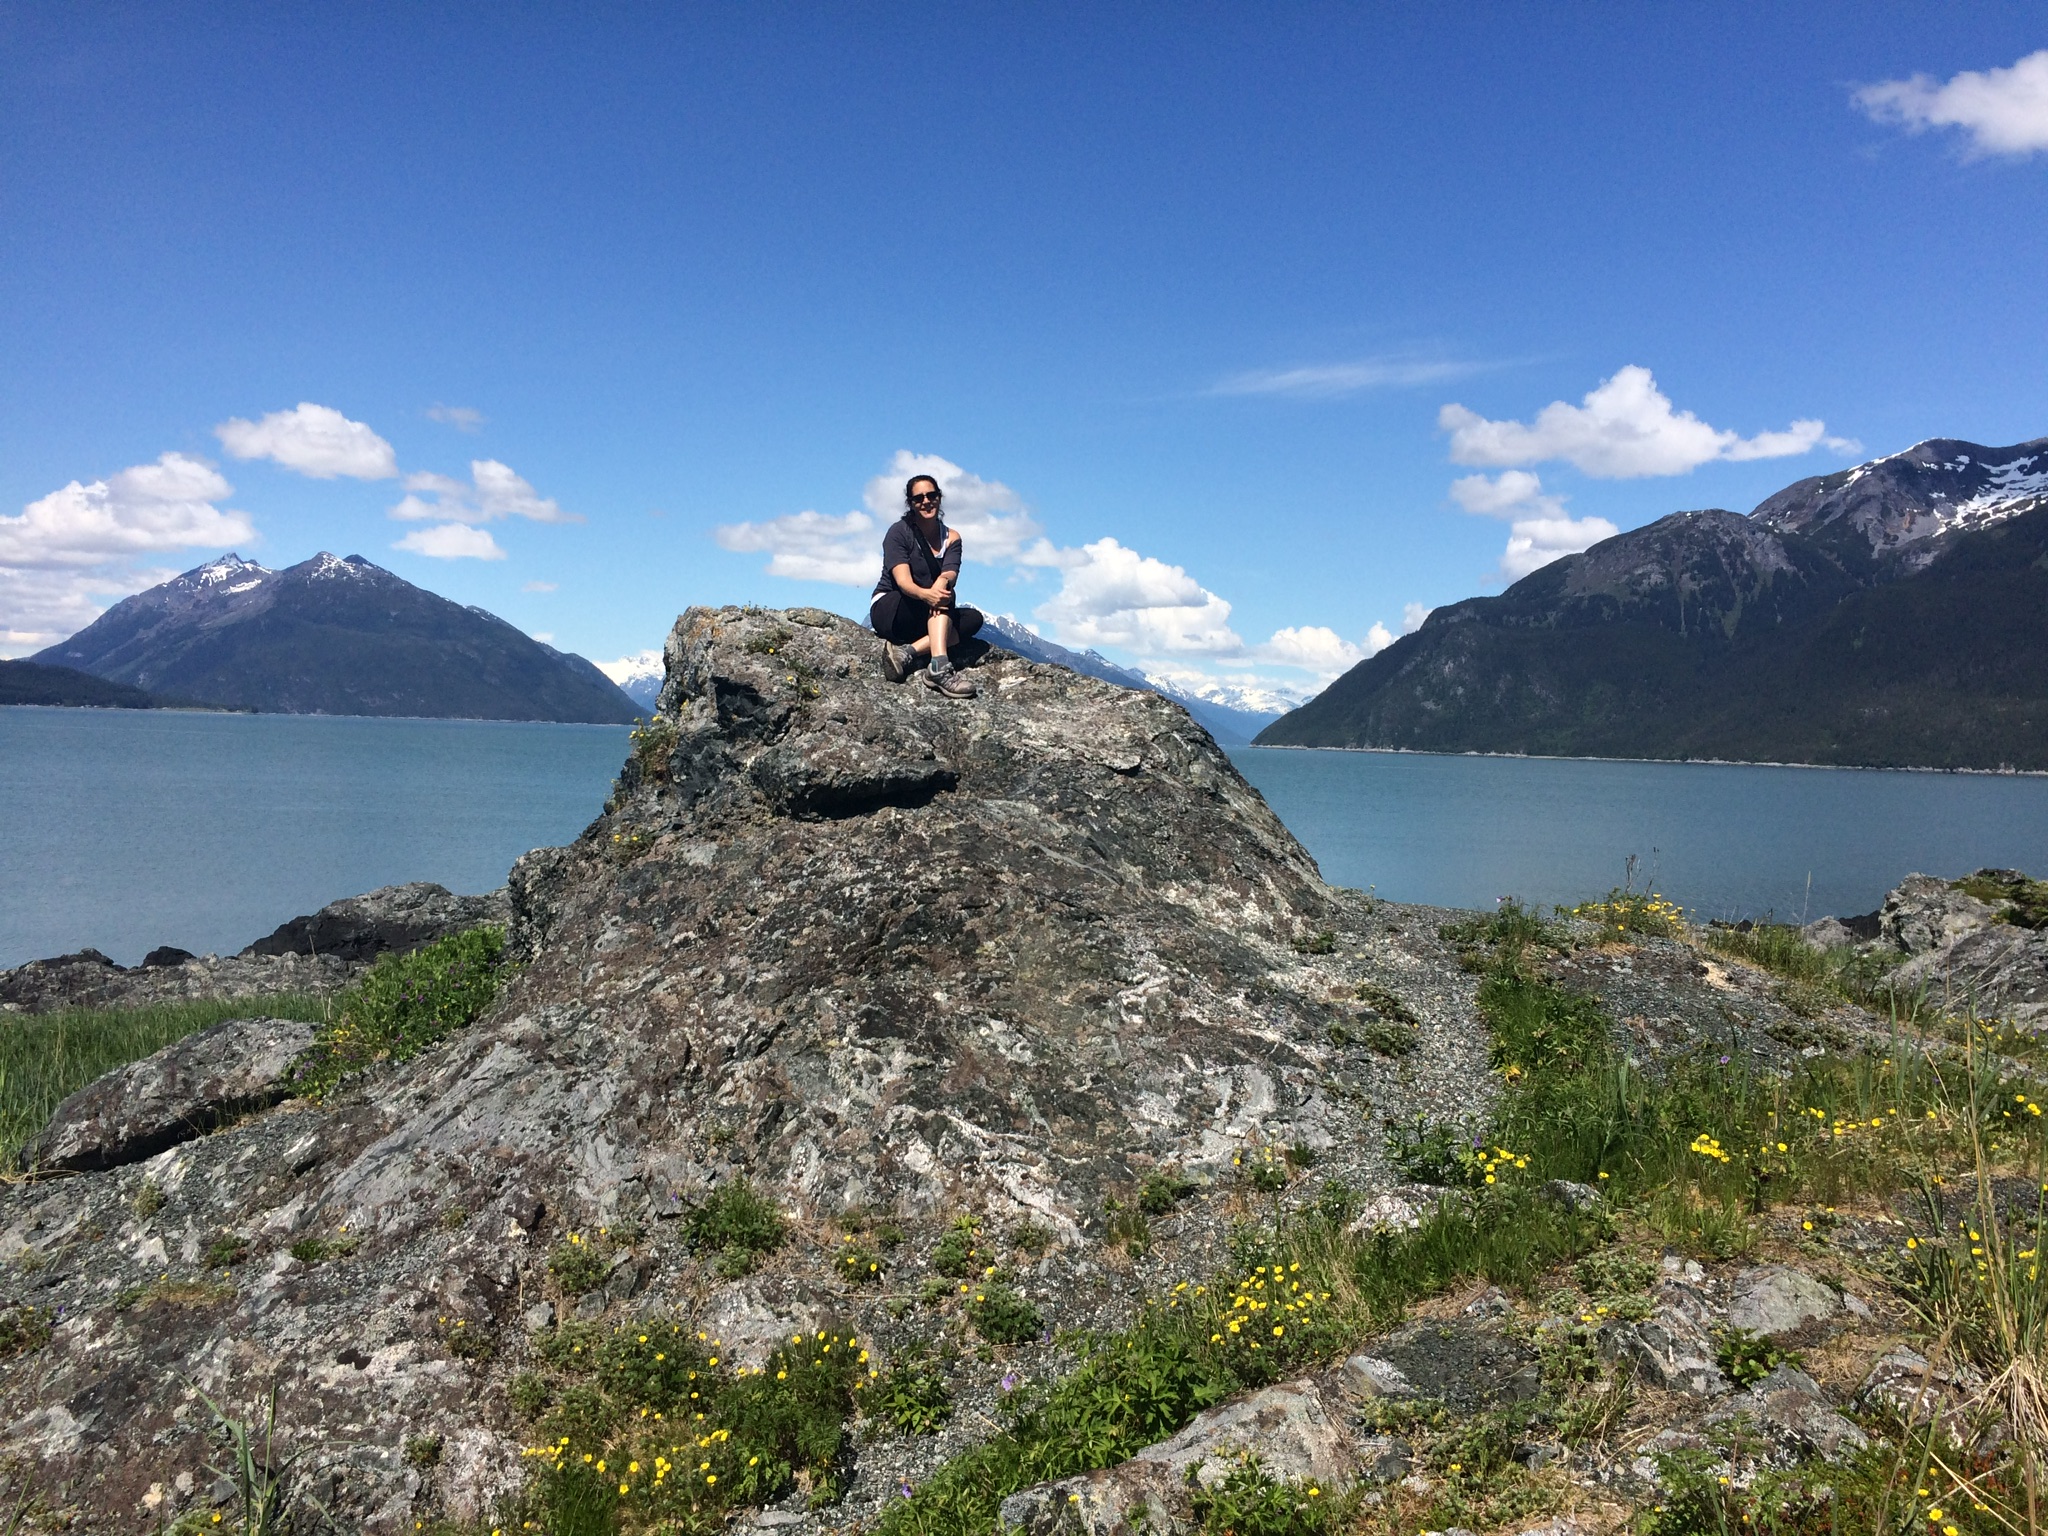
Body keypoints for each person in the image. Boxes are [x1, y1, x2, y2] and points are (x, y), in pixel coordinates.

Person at [870, 474, 984, 698]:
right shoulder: (899, 532)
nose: (926, 501)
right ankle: (939, 667)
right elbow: (904, 583)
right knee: (943, 601)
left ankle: (908, 652)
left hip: (926, 613)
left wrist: (940, 586)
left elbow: (951, 572)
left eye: (931, 495)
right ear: (911, 504)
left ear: (939, 498)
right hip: (892, 607)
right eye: (918, 498)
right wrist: (928, 595)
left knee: (972, 619)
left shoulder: (951, 538)